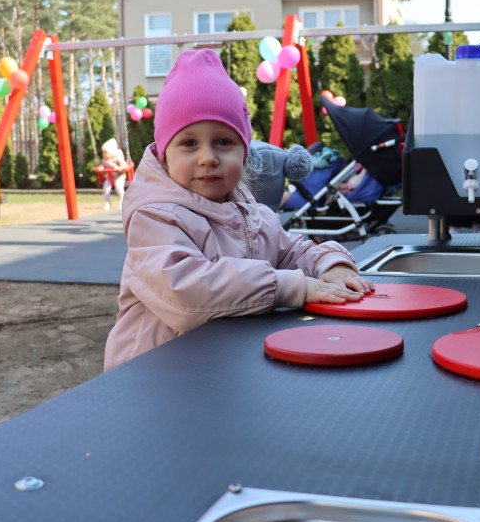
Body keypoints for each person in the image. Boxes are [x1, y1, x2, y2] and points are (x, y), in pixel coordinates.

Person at [104, 49, 373, 370]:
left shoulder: (251, 214)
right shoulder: (155, 217)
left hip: (218, 364)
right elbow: (185, 291)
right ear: (165, 155)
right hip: (154, 371)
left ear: (245, 154)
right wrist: (289, 287)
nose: (207, 157)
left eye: (223, 142)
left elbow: (292, 252)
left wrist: (330, 265)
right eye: (189, 143)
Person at [99, 138, 130, 211]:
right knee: (106, 188)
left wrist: (120, 167)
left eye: (106, 153)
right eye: (103, 153)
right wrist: (101, 167)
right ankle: (107, 202)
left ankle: (122, 201)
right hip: (109, 178)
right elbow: (102, 165)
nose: (103, 154)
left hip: (119, 176)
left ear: (112, 152)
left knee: (118, 187)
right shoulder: (104, 160)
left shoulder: (118, 158)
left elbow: (124, 165)